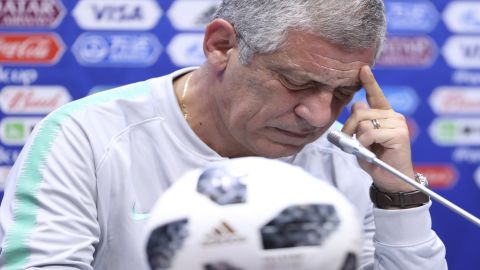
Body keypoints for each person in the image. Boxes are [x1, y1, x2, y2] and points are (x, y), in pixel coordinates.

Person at [0, 0, 447, 269]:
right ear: (221, 46)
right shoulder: (85, 135)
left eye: (342, 92)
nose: (316, 116)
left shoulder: (346, 153)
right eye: (296, 82)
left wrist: (396, 194)